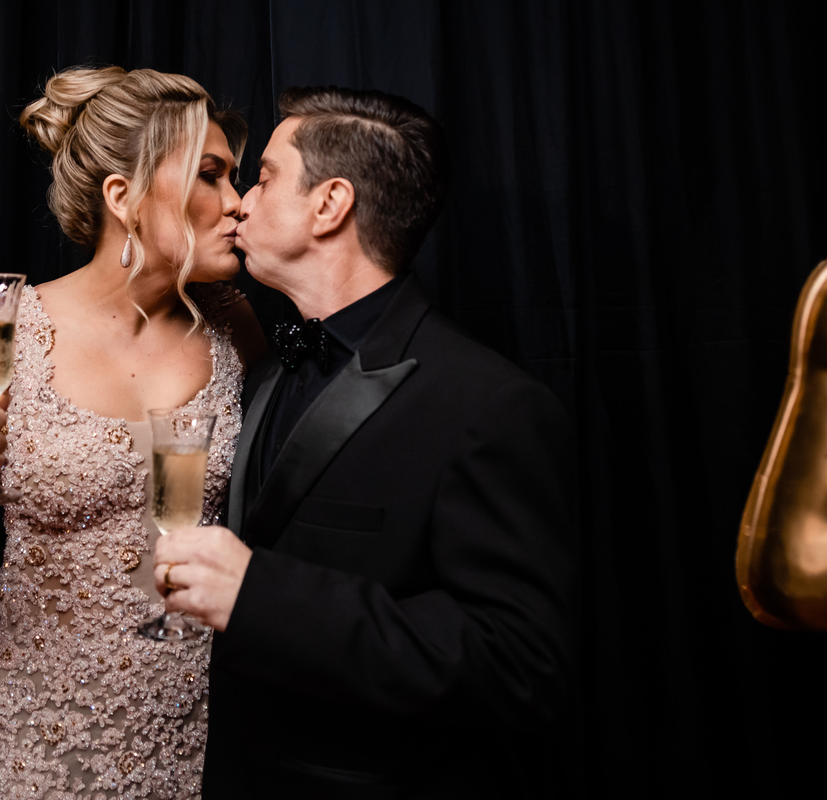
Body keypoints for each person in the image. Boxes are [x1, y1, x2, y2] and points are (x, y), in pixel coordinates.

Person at [154, 87, 576, 798]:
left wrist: (261, 595)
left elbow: (520, 664)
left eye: (264, 179)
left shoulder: (488, 405)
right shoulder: (263, 367)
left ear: (330, 205)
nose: (241, 205)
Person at [0, 66, 263, 799]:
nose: (239, 203)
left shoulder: (237, 324)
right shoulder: (1, 335)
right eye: (211, 176)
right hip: (30, 737)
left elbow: (289, 496)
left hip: (197, 731)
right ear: (123, 197)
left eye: (234, 178)